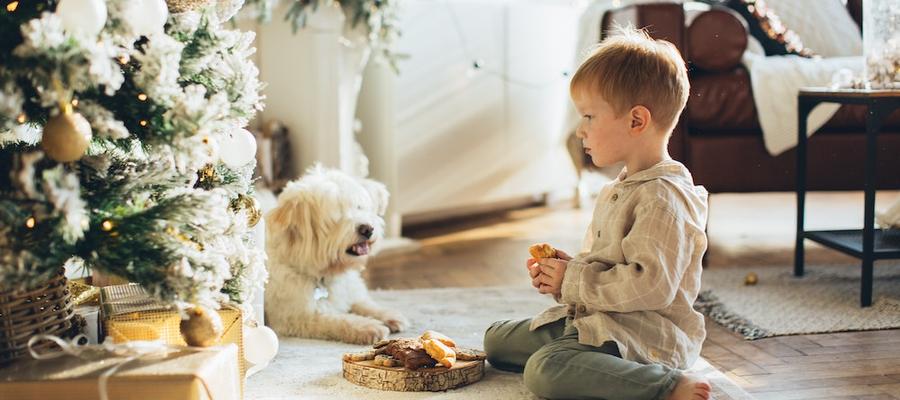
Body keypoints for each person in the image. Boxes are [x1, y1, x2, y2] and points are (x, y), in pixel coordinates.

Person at [483, 26, 711, 400]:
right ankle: (586, 361)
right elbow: (611, 264)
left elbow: (650, 285)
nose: (580, 131)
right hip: (603, 319)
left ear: (636, 121)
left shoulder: (663, 197)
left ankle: (666, 386)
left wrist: (572, 280)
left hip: (643, 336)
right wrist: (567, 271)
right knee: (496, 340)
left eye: (589, 117)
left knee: (546, 370)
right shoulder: (625, 186)